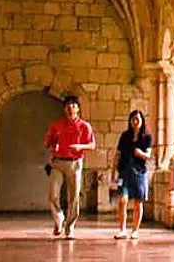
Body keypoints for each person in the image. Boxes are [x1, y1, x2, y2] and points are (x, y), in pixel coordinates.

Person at [43, 95, 96, 239]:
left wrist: (80, 147)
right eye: (68, 106)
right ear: (64, 109)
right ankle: (59, 218)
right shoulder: (57, 125)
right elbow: (47, 142)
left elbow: (92, 145)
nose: (70, 109)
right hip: (58, 162)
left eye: (73, 106)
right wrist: (52, 146)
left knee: (74, 196)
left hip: (74, 163)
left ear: (78, 109)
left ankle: (70, 226)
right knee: (53, 193)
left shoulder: (84, 126)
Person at [113, 109, 153, 239]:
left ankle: (135, 230)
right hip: (124, 171)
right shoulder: (125, 136)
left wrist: (140, 153)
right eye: (133, 119)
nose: (135, 122)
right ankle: (122, 230)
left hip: (139, 173)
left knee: (138, 202)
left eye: (137, 119)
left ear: (142, 121)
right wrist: (113, 170)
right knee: (122, 200)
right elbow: (118, 154)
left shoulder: (147, 137)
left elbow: (148, 155)